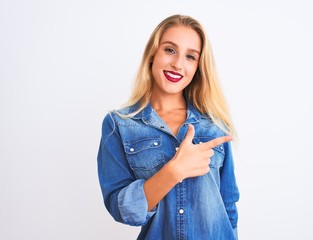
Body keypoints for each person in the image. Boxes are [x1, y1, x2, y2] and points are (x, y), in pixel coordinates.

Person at [97, 14, 239, 240]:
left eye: (191, 56)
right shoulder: (119, 124)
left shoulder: (214, 124)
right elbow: (120, 208)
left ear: (198, 67)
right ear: (153, 54)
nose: (178, 64)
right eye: (170, 50)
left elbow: (228, 206)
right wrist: (173, 172)